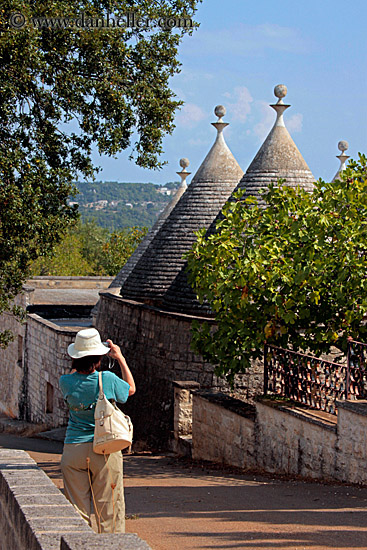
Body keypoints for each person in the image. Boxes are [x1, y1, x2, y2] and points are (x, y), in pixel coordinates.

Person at [59, 328, 135, 533]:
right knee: (109, 510)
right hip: (104, 448)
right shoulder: (107, 379)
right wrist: (120, 357)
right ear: (99, 357)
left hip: (73, 448)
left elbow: (76, 375)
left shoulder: (64, 382)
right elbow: (130, 389)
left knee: (77, 512)